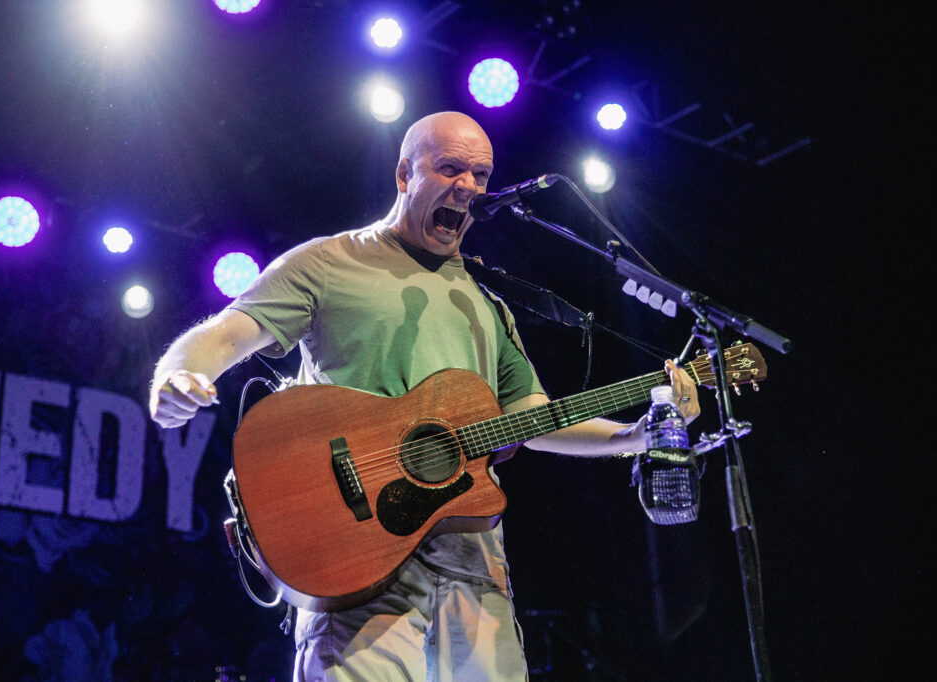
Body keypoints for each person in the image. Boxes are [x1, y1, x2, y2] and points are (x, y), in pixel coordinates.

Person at [148, 111, 700, 680]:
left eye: (481, 175)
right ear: (404, 175)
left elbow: (534, 420)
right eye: (450, 168)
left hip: (473, 567)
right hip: (354, 560)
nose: (468, 188)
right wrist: (180, 372)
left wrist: (634, 435)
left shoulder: (488, 305)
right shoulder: (331, 262)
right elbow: (227, 331)